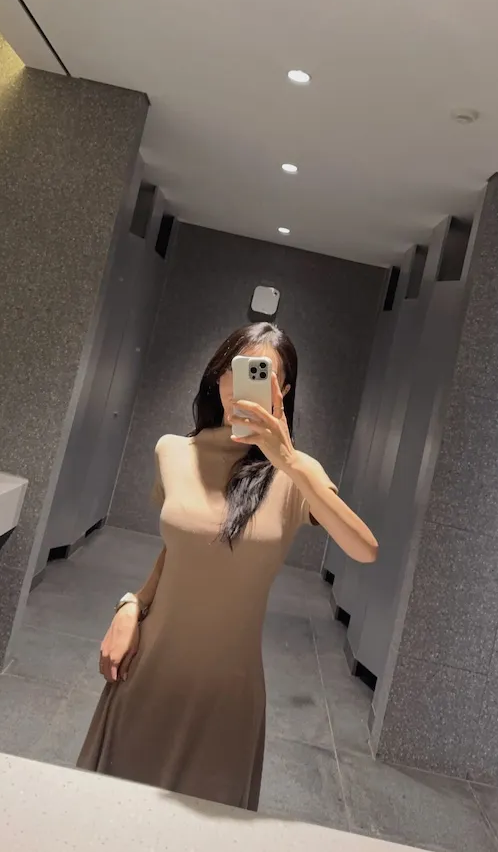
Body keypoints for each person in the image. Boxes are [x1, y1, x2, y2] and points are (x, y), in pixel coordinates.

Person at [77, 322, 378, 810]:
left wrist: (289, 461)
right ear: (217, 376)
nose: (240, 385)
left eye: (259, 373)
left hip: (228, 691)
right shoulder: (173, 451)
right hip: (149, 668)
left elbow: (364, 549)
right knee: (110, 814)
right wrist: (130, 605)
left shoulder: (297, 474)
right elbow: (181, 550)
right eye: (234, 370)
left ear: (283, 390)